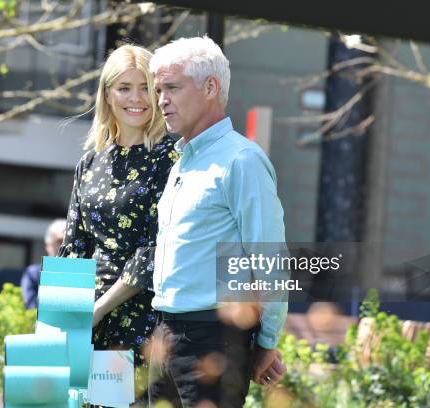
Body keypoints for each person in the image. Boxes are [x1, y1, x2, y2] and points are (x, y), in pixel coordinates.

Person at [147, 36, 288, 407]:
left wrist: (266, 343)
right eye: (159, 89)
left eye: (172, 88)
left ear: (211, 87)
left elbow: (269, 261)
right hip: (166, 331)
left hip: (214, 337)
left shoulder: (242, 161)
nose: (161, 100)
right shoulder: (183, 161)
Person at [57, 44, 177, 403]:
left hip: (138, 319)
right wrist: (59, 315)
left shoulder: (170, 159)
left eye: (145, 88)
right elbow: (73, 247)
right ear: (107, 94)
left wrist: (98, 309)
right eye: (124, 88)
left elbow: (153, 252)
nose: (136, 99)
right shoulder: (90, 162)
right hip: (84, 319)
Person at [21, 218, 66, 309]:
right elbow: (30, 305)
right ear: (48, 245)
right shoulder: (33, 273)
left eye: (68, 241)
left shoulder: (83, 273)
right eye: (59, 241)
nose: (63, 246)